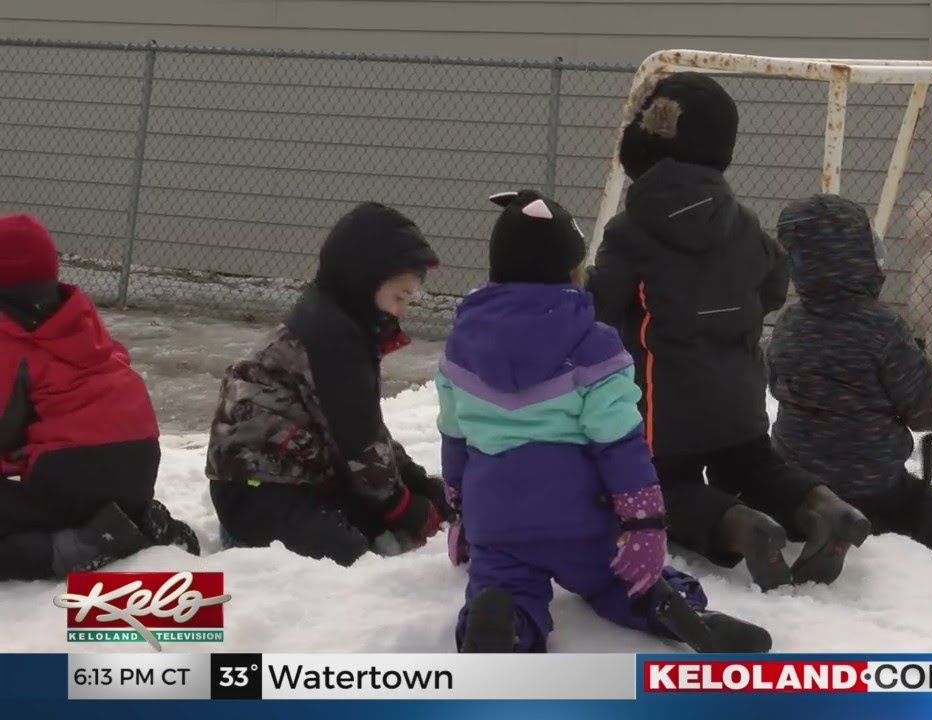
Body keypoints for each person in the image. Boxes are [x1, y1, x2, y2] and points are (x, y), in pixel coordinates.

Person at [439, 190, 772, 653]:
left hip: (495, 519)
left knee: (502, 586)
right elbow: (620, 445)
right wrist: (645, 524)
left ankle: (507, 625)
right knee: (623, 579)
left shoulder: (460, 346)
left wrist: (459, 506)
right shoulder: (594, 346)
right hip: (579, 517)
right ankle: (674, 609)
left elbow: (454, 434)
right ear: (571, 271)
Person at [588, 71, 868, 592]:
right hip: (738, 396)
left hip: (664, 409)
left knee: (658, 487)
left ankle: (741, 527)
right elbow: (773, 287)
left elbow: (598, 309)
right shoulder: (743, 224)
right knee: (754, 466)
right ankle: (823, 507)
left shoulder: (630, 233)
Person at [769, 194, 932, 594]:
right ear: (862, 256)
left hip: (797, 481)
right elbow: (923, 410)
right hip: (871, 483)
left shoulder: (788, 323)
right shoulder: (882, 326)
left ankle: (810, 522)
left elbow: (776, 385)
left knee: (785, 489)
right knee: (921, 503)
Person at [206, 202, 452, 566]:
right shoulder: (334, 340)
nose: (402, 311)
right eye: (399, 297)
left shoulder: (338, 323)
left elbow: (364, 430)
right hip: (257, 492)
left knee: (372, 518)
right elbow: (360, 447)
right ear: (364, 281)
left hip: (296, 480)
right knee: (351, 559)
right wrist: (407, 508)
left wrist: (417, 482)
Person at [0, 213, 198, 581]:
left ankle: (89, 544)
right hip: (139, 462)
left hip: (72, 474)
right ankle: (133, 519)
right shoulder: (77, 318)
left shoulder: (8, 337)